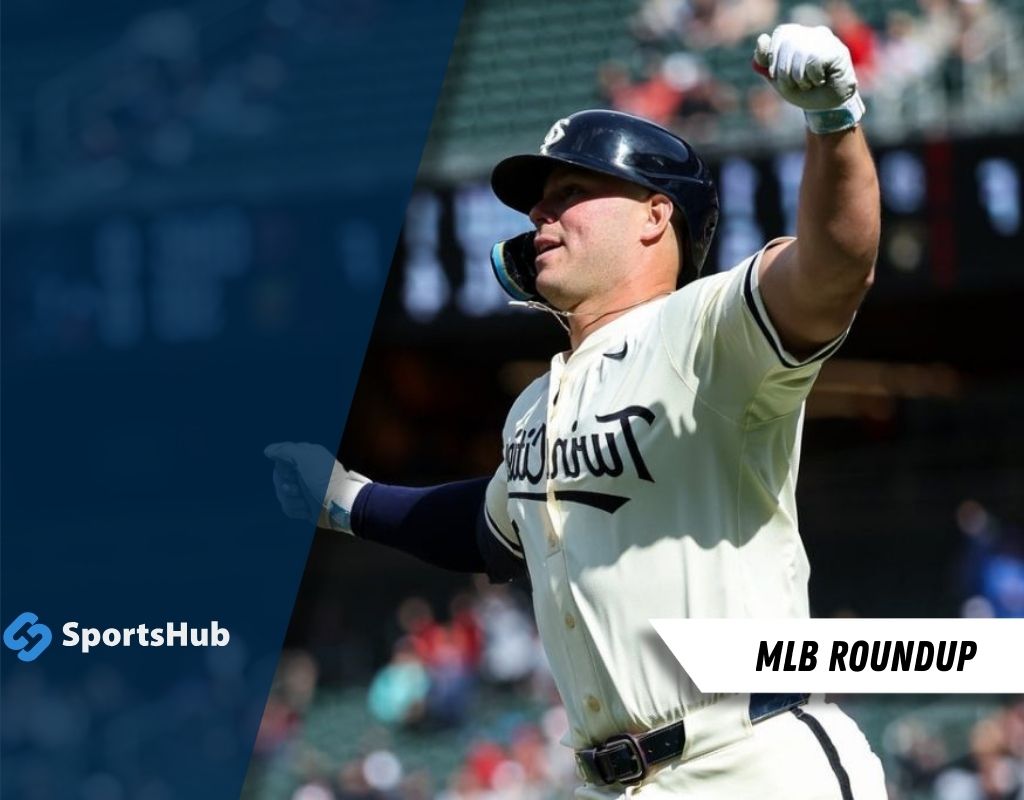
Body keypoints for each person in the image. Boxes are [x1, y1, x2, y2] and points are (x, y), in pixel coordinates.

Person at [266, 23, 887, 799]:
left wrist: (833, 123)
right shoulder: (538, 400)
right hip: (616, 782)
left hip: (750, 760)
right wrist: (347, 500)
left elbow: (835, 268)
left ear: (655, 217)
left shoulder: (703, 330)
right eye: (538, 204)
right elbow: (488, 527)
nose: (540, 217)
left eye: (571, 194)